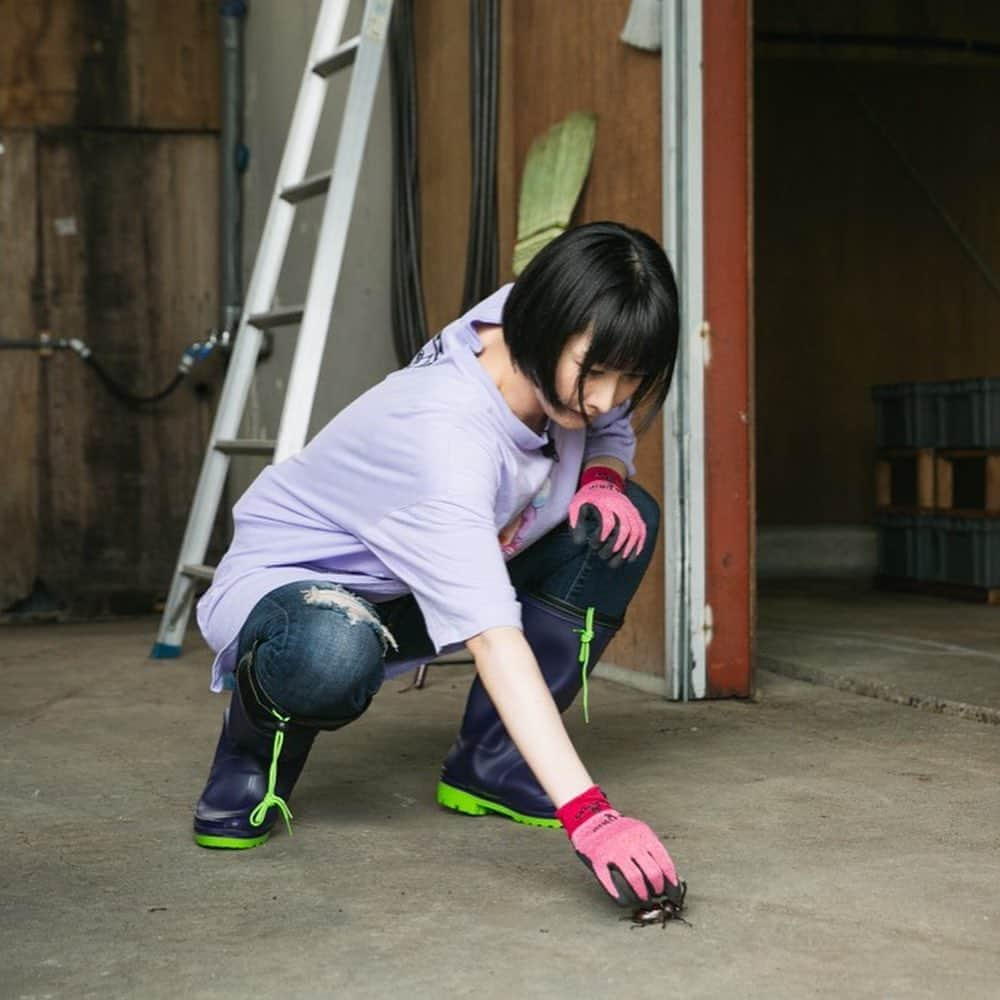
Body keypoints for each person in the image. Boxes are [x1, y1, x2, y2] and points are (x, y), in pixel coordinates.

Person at [193, 220, 683, 909]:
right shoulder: (446, 437)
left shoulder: (536, 316)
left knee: (621, 520)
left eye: (628, 376)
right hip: (299, 588)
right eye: (594, 371)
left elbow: (606, 419)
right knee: (332, 651)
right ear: (543, 326)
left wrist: (602, 476)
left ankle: (492, 763)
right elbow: (494, 638)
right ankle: (249, 755)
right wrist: (589, 814)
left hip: (412, 579)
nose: (606, 397)